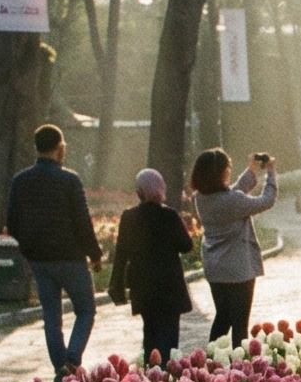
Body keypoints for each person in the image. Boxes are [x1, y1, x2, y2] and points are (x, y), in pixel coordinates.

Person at [5, 124, 101, 378]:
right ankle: (72, 359)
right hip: (70, 258)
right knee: (86, 310)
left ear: (37, 148)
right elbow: (82, 221)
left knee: (51, 317)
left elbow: (12, 223)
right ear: (60, 148)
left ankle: (60, 366)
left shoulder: (20, 181)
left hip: (39, 259)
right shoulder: (70, 180)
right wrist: (95, 254)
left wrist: (28, 246)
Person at [191, 147, 276, 348]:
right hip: (239, 269)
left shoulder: (200, 198)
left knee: (223, 317)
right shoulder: (232, 201)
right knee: (240, 323)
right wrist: (270, 173)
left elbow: (233, 192)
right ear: (220, 173)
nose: (228, 172)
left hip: (215, 268)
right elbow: (266, 200)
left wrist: (251, 171)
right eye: (226, 168)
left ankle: (210, 360)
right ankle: (241, 368)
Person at [107, 168, 194, 363]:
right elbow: (187, 245)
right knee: (170, 336)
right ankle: (168, 378)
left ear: (139, 191)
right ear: (161, 188)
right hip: (170, 286)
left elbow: (121, 254)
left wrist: (117, 284)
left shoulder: (129, 217)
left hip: (143, 286)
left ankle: (150, 380)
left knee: (151, 334)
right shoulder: (170, 215)